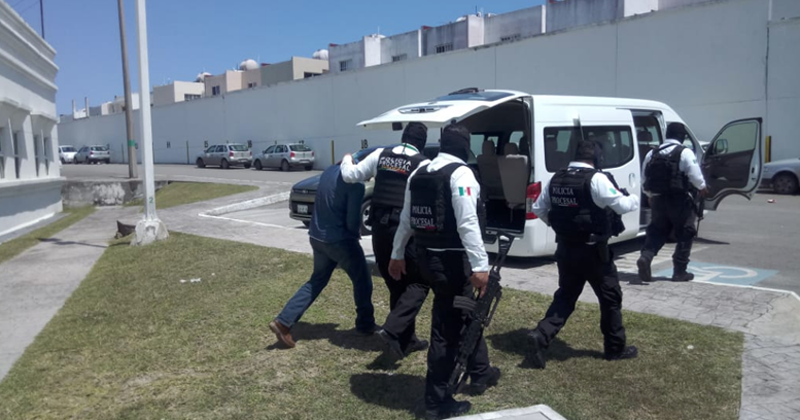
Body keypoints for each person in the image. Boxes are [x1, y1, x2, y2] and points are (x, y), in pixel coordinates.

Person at [389, 124, 501, 420]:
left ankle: (481, 371)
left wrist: (397, 253)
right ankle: (436, 402)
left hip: (426, 259)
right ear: (465, 147)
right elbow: (467, 222)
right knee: (446, 330)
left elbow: (406, 218)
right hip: (451, 264)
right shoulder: (461, 174)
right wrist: (480, 265)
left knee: (466, 314)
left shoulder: (420, 172)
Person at [526, 140, 640, 369]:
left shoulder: (556, 178)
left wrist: (560, 227)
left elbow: (538, 208)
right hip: (593, 251)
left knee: (566, 296)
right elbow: (622, 206)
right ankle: (615, 349)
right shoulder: (596, 179)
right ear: (596, 159)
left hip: (566, 248)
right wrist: (634, 198)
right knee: (610, 298)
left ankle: (541, 334)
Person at [340, 122, 432, 358]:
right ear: (422, 143)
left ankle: (405, 341)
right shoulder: (422, 164)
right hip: (405, 231)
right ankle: (394, 330)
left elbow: (350, 175)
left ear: (403, 137)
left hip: (379, 230)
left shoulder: (380, 154)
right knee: (419, 282)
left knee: (395, 281)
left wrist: (347, 158)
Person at [269, 162, 377, 348]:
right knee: (362, 280)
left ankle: (283, 321)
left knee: (316, 281)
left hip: (317, 236)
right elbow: (352, 221)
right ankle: (365, 325)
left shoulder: (329, 172)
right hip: (340, 240)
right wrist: (355, 237)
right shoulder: (356, 185)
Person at [637, 123, 708, 283]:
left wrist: (650, 195)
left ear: (666, 134)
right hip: (680, 200)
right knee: (685, 233)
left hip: (657, 200)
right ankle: (679, 271)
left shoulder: (652, 153)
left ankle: (646, 257)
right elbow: (696, 176)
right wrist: (703, 188)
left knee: (657, 231)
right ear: (682, 137)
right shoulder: (685, 152)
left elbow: (644, 179)